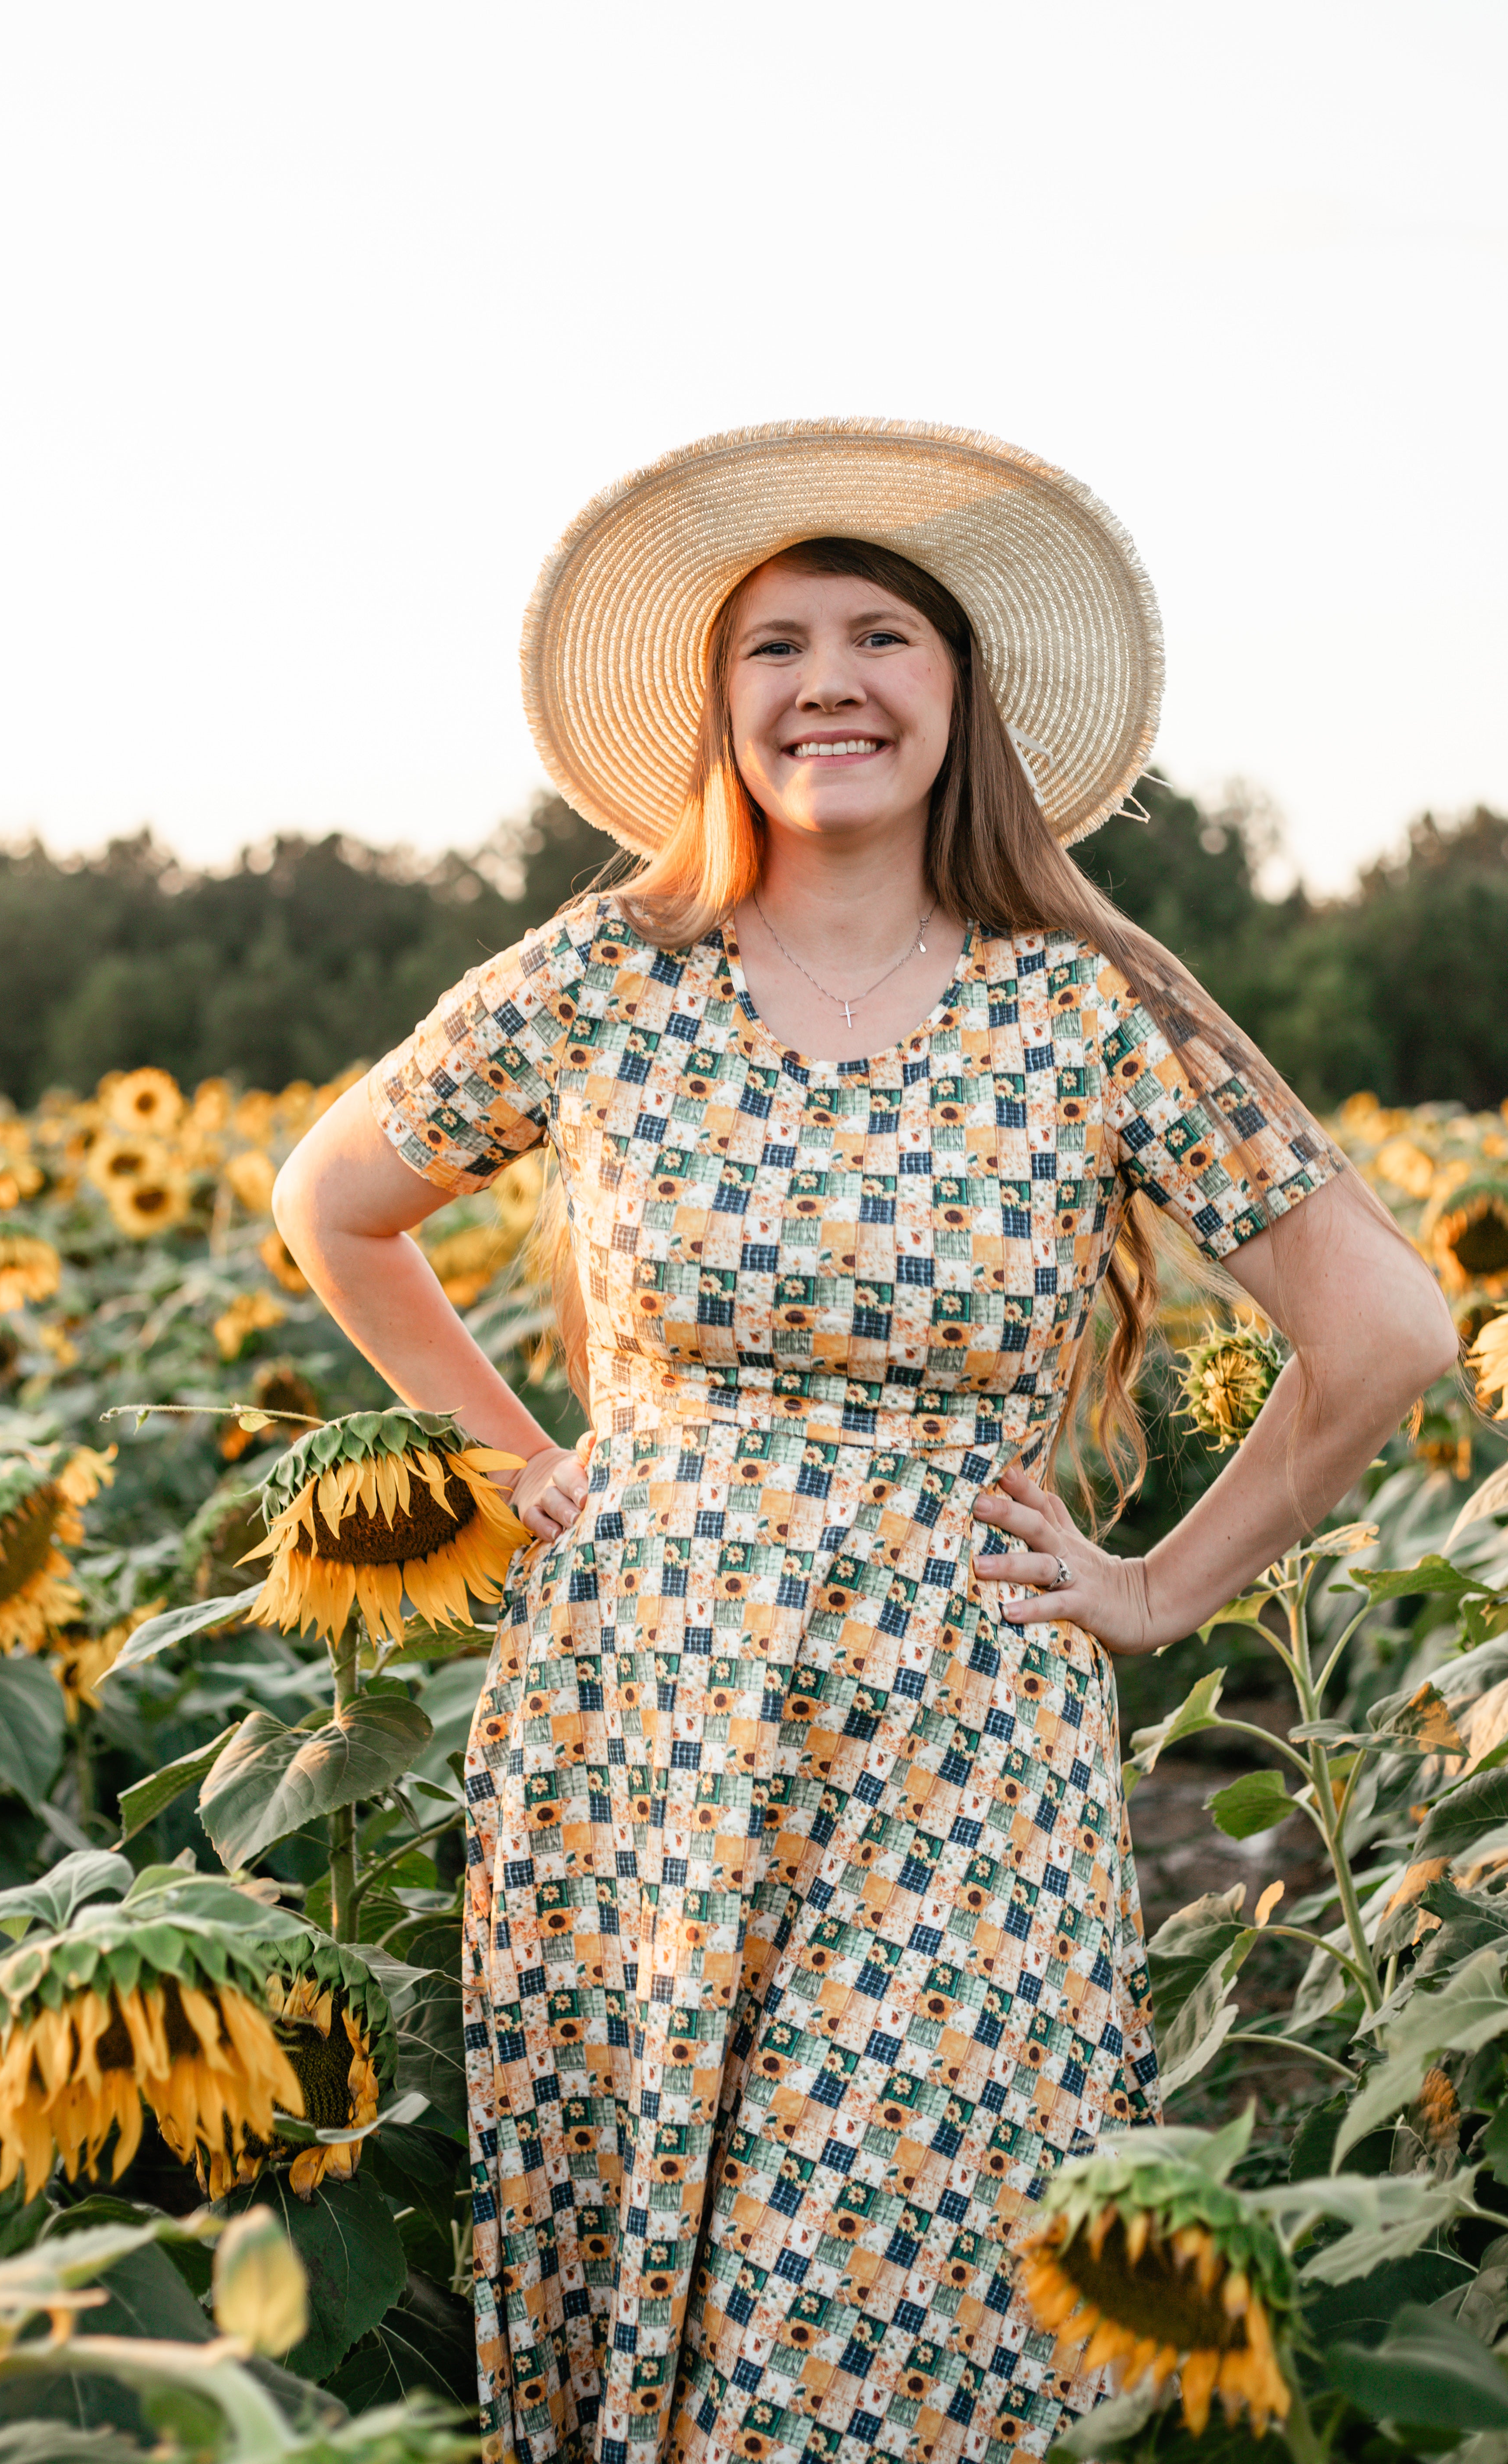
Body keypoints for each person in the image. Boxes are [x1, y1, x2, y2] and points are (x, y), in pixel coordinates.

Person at [273, 422, 1456, 2464]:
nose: (829, 679)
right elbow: (333, 1201)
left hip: (957, 1740)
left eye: (883, 634)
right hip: (638, 1724)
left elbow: (1386, 1329)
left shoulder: (1083, 1006)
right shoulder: (608, 976)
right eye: (777, 645)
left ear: (960, 693)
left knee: (874, 2327)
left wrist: (1164, 1590)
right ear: (715, 708)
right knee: (640, 2275)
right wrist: (515, 1455)